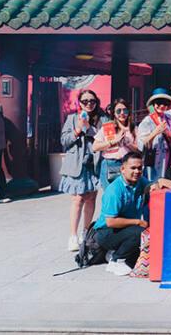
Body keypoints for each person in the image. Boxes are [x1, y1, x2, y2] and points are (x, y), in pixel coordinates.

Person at [95, 152, 171, 276]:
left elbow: (148, 186)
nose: (137, 171)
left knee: (141, 246)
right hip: (105, 232)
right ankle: (116, 260)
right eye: (133, 168)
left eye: (139, 168)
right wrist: (137, 222)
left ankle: (115, 252)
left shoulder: (139, 181)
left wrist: (158, 182)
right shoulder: (114, 190)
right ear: (122, 169)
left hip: (123, 229)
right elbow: (110, 222)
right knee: (140, 232)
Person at [59, 89, 108, 252]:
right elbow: (64, 140)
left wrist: (90, 129)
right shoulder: (72, 118)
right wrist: (77, 130)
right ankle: (72, 235)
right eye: (85, 101)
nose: (89, 104)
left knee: (91, 198)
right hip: (77, 163)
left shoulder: (102, 119)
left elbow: (107, 138)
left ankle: (85, 233)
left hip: (95, 163)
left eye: (92, 101)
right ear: (79, 102)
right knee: (77, 199)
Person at [93, 98, 139, 189]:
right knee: (112, 193)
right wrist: (113, 142)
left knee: (127, 193)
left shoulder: (133, 128)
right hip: (111, 164)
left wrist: (127, 143)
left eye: (125, 110)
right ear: (114, 113)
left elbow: (139, 150)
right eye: (118, 111)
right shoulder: (108, 127)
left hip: (128, 164)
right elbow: (95, 147)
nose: (122, 113)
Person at [137, 88, 171, 183]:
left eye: (165, 103)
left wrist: (168, 134)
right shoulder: (147, 121)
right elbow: (142, 143)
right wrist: (156, 132)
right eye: (158, 103)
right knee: (151, 182)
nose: (162, 106)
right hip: (152, 157)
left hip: (166, 157)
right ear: (153, 104)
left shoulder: (169, 119)